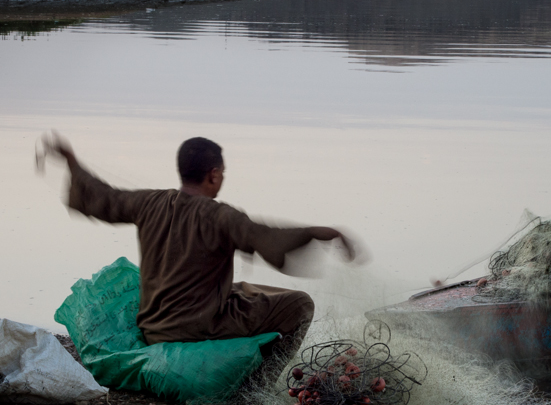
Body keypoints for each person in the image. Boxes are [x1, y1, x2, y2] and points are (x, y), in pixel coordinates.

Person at [42, 134, 358, 383]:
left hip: (154, 325)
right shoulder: (219, 216)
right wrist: (319, 232)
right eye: (222, 174)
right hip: (199, 326)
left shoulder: (150, 202)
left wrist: (71, 160)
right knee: (300, 304)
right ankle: (258, 385)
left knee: (243, 289)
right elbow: (265, 236)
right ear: (214, 174)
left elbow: (104, 198)